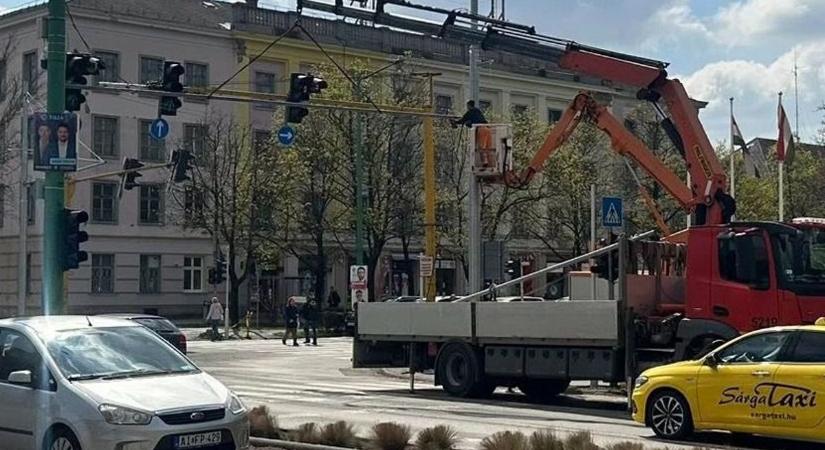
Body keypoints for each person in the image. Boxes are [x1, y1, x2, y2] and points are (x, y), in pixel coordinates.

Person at [452, 100, 494, 169]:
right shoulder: (478, 111)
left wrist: (456, 122)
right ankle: (490, 163)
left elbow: (463, 119)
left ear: (469, 106)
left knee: (481, 147)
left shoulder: (470, 111)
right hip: (487, 129)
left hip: (481, 129)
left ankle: (485, 163)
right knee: (488, 147)